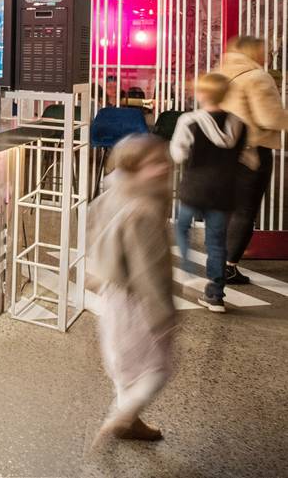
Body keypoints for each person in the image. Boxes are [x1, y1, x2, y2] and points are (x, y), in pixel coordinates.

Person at [92, 134, 175, 443]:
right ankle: (122, 417)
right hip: (137, 301)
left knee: (124, 368)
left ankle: (130, 420)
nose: (163, 168)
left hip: (111, 294)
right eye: (154, 164)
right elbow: (149, 270)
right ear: (133, 168)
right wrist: (163, 314)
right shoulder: (145, 210)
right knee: (158, 369)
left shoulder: (111, 194)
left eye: (164, 161)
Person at [169, 72, 244, 312]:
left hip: (195, 188)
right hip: (224, 190)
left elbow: (178, 154)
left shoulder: (189, 121)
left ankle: (188, 270)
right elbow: (243, 155)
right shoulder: (238, 123)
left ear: (202, 94)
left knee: (182, 227)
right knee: (217, 242)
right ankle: (215, 295)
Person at [218, 35, 288, 284]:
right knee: (245, 209)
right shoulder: (257, 77)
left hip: (222, 150)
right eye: (264, 51)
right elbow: (269, 118)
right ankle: (229, 267)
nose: (267, 56)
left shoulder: (220, 74)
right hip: (251, 151)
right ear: (252, 52)